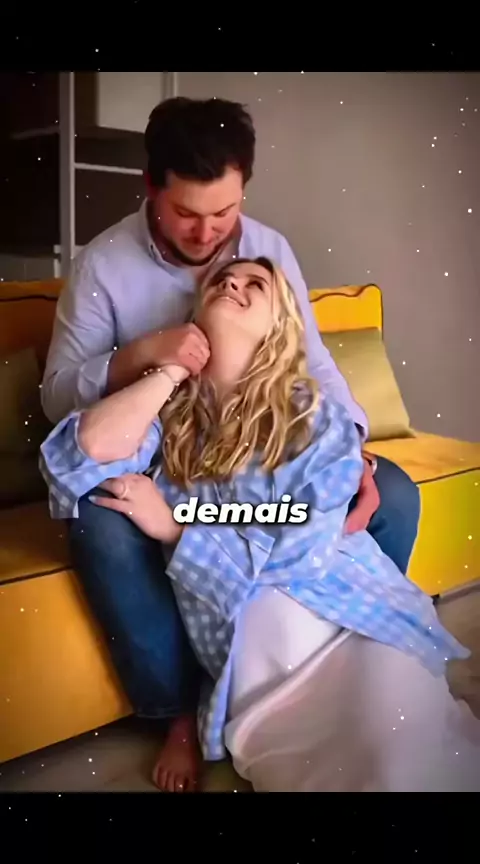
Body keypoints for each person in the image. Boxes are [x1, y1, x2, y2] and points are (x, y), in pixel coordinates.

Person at [40, 96, 420, 789]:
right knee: (102, 518)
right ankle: (178, 711)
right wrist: (148, 358)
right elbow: (61, 399)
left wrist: (351, 452)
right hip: (171, 448)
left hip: (268, 454)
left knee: (390, 493)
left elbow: (312, 364)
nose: (212, 234)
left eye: (226, 212)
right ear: (151, 186)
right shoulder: (103, 267)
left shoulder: (267, 248)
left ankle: (341, 648)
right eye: (189, 213)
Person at [40, 258, 480, 792]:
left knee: (399, 760)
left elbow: (303, 545)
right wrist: (171, 370)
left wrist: (178, 525)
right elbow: (78, 458)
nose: (233, 284)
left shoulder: (313, 415)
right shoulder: (165, 420)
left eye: (256, 285)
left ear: (279, 322)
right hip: (253, 678)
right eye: (222, 282)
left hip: (347, 627)